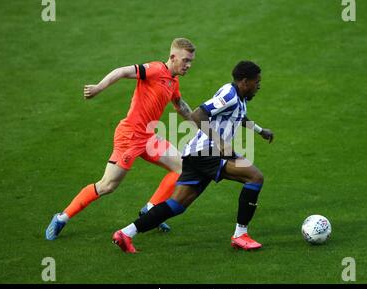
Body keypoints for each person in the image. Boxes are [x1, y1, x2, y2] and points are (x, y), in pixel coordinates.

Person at [112, 60, 274, 253]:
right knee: (255, 177)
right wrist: (220, 142)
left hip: (197, 153)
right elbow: (198, 114)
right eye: (257, 82)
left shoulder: (240, 97)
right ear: (245, 82)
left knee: (176, 205)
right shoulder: (229, 95)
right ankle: (240, 235)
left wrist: (259, 130)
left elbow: (239, 116)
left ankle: (126, 233)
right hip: (207, 152)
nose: (259, 86)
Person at [45, 38, 196, 240]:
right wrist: (98, 87)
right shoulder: (154, 69)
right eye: (185, 60)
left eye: (191, 61)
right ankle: (62, 217)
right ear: (172, 57)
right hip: (130, 136)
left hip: (149, 136)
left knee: (183, 168)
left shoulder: (173, 81)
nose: (188, 65)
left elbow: (179, 105)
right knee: (107, 185)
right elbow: (122, 71)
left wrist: (200, 122)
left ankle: (150, 210)